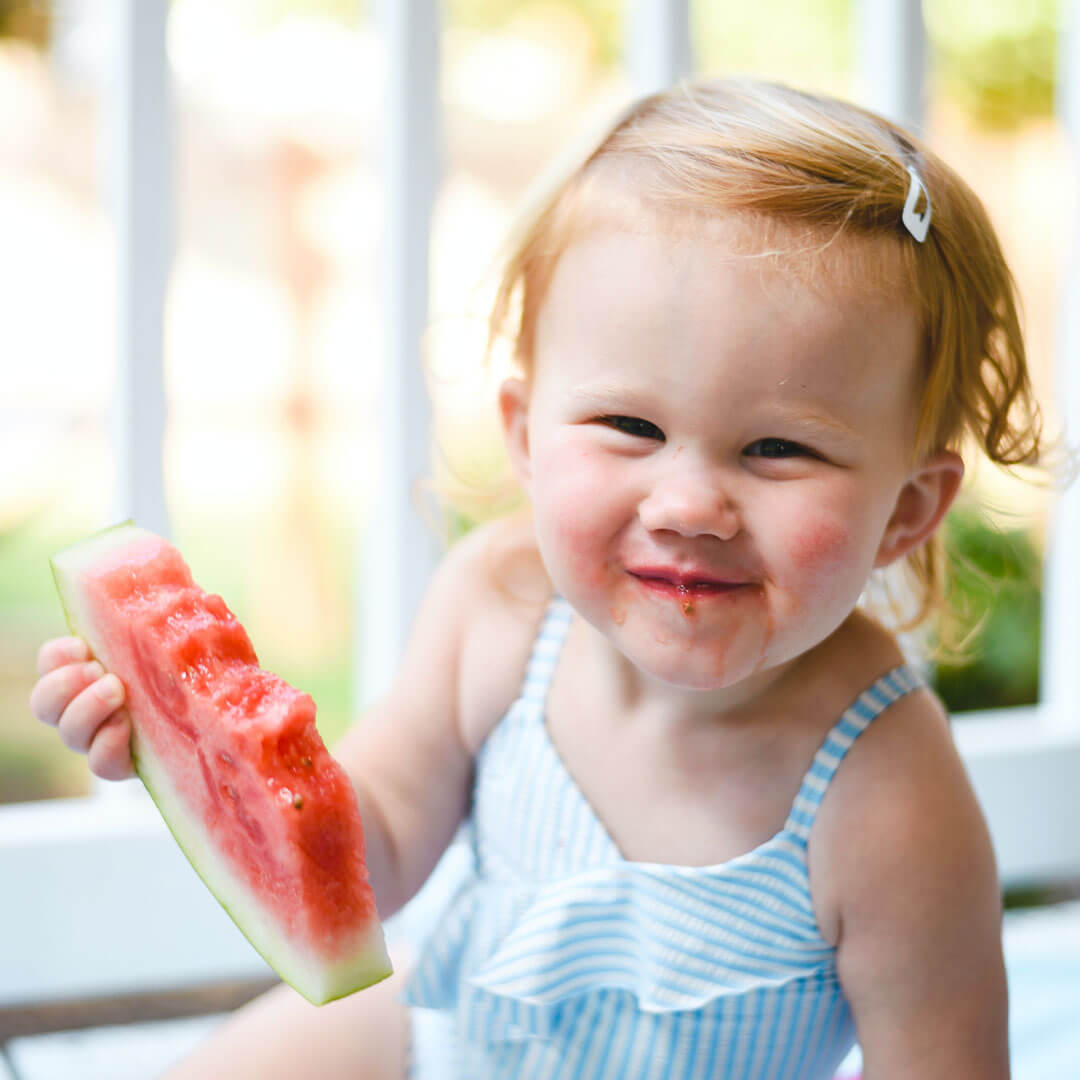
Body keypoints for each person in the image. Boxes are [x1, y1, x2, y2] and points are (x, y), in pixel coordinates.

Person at [30, 77, 1045, 1079]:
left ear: (906, 512)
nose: (689, 504)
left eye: (778, 448)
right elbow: (367, 851)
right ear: (525, 432)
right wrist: (188, 750)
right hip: (448, 1046)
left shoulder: (887, 795)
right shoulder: (500, 610)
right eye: (630, 427)